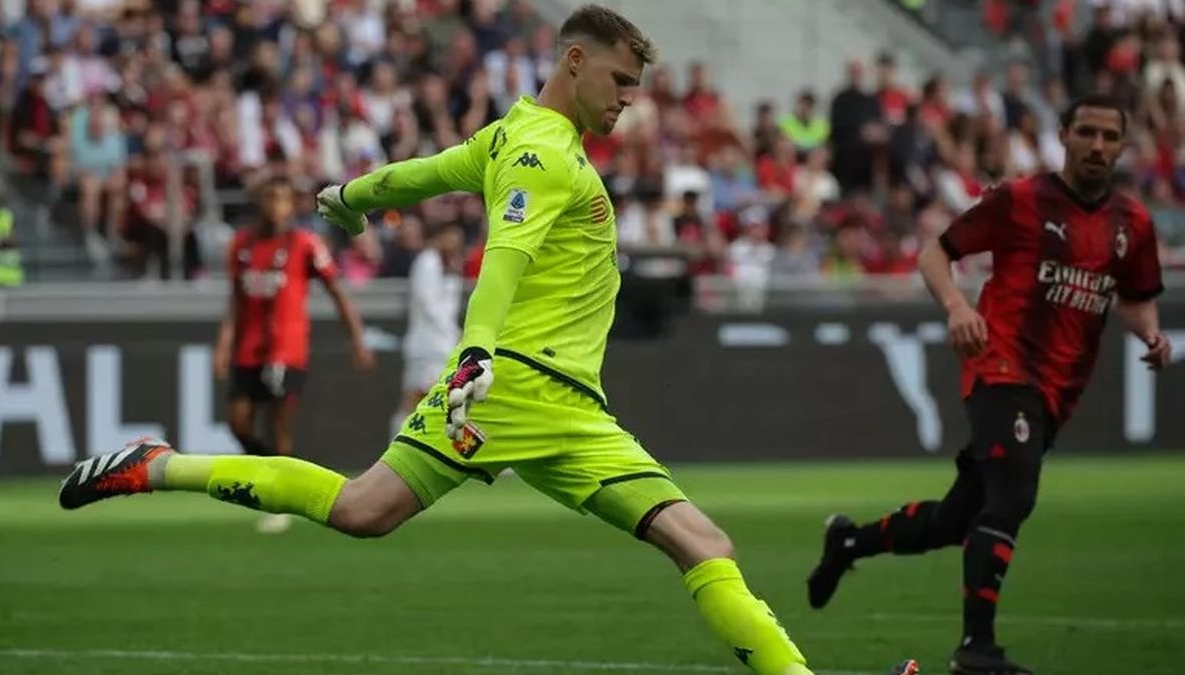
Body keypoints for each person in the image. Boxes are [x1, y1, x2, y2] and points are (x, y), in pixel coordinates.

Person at [58, 6, 916, 675]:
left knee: (704, 544)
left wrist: (353, 196)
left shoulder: (513, 136)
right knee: (364, 510)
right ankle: (158, 465)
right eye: (619, 79)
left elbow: (422, 174)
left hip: (573, 410)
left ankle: (157, 464)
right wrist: (475, 352)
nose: (628, 98)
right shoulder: (542, 155)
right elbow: (502, 259)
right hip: (512, 388)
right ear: (573, 61)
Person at [806, 94, 1172, 675]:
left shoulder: (1134, 224)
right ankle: (977, 648)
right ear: (1064, 135)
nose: (1098, 146)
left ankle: (851, 541)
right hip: (1000, 366)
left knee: (958, 519)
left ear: (1123, 145)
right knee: (1013, 496)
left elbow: (1134, 295)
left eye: (1110, 136)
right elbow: (936, 252)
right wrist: (957, 306)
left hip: (1058, 388)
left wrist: (1149, 333)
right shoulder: (1020, 200)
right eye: (1087, 132)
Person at [212, 176, 376, 533]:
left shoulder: (305, 244)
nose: (277, 206)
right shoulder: (241, 245)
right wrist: (224, 344)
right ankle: (277, 479)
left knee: (278, 429)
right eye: (271, 198)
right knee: (238, 423)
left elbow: (337, 292)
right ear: (260, 203)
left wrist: (357, 340)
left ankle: (280, 502)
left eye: (284, 199)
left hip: (287, 350)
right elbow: (235, 302)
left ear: (291, 206)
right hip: (248, 349)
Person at [391, 221, 465, 437]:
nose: (455, 242)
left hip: (443, 347)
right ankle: (395, 443)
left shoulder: (448, 265)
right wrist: (454, 332)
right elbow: (429, 305)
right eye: (451, 236)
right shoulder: (427, 262)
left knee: (436, 401)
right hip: (425, 345)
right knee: (413, 399)